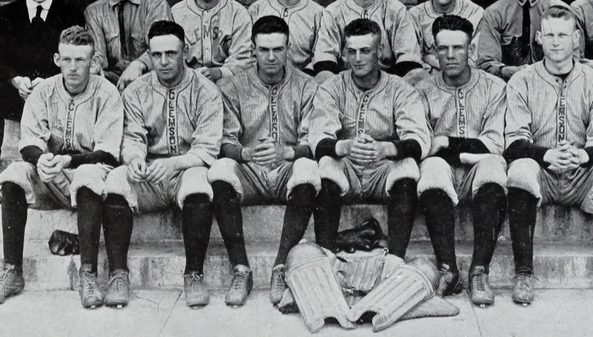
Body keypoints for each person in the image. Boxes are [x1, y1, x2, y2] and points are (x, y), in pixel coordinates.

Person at [0, 26, 123, 309]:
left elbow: (108, 151)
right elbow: (29, 140)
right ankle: (12, 271)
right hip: (52, 175)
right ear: (56, 59)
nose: (72, 67)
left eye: (80, 60)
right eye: (66, 59)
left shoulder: (107, 93)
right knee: (14, 174)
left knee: (88, 175)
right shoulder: (43, 90)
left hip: (92, 178)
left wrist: (70, 161)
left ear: (93, 62)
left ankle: (88, 275)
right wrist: (40, 158)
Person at [504, 5, 593, 306]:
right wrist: (547, 154)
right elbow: (514, 141)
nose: (556, 42)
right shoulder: (521, 81)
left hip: (580, 174)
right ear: (538, 38)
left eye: (563, 35)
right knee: (519, 169)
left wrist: (581, 156)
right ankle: (524, 272)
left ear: (576, 38)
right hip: (543, 173)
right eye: (549, 34)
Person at [102, 21, 223, 309]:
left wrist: (174, 165)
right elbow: (131, 137)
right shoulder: (136, 91)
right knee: (117, 179)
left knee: (198, 181)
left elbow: (207, 148)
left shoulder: (205, 90)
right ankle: (118, 274)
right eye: (156, 55)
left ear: (185, 51)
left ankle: (193, 274)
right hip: (151, 174)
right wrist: (134, 161)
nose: (164, 62)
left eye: (171, 53)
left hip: (185, 167)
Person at [207, 16, 320, 307]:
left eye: (278, 49)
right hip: (251, 169)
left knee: (309, 169)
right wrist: (244, 154)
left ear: (288, 48)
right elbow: (224, 140)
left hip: (287, 169)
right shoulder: (233, 87)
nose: (271, 57)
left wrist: (287, 152)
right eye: (264, 49)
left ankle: (281, 267)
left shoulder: (307, 86)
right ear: (253, 49)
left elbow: (315, 142)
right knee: (219, 170)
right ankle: (241, 269)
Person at [309, 18, 430, 261]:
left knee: (406, 165)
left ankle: (395, 261)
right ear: (343, 53)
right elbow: (318, 139)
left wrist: (388, 148)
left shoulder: (400, 88)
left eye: (365, 51)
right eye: (351, 51)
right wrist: (344, 146)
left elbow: (419, 141)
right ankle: (325, 259)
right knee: (325, 165)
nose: (357, 59)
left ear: (380, 51)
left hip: (382, 169)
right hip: (348, 169)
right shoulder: (332, 87)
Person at [0, 0, 84, 204]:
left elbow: (76, 58)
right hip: (20, 93)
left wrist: (50, 82)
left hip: (56, 93)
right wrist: (16, 81)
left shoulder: (70, 14)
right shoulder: (7, 14)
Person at [415, 15, 508, 307]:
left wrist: (446, 142)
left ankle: (479, 271)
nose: (451, 55)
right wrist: (456, 149)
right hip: (443, 170)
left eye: (458, 47)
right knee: (430, 169)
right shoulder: (423, 91)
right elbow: (424, 146)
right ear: (434, 50)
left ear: (471, 49)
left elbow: (494, 144)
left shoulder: (494, 87)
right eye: (443, 48)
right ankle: (448, 269)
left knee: (493, 167)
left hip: (479, 171)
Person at [313, 0, 423, 82]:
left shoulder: (396, 10)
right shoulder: (334, 12)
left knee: (419, 75)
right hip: (345, 83)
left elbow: (409, 60)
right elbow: (325, 61)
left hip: (388, 83)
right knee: (320, 78)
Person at [144, 0, 252, 86]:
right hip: (184, 83)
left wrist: (218, 72)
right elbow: (166, 53)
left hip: (226, 84)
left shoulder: (238, 13)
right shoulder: (176, 13)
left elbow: (243, 60)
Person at [84, 0, 172, 89]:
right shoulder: (94, 11)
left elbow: (162, 49)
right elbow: (98, 55)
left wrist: (139, 64)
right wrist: (94, 66)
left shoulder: (157, 6)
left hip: (150, 83)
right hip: (110, 85)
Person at [409, 0, 484, 71]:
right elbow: (414, 62)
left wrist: (429, 58)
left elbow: (474, 62)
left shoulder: (474, 13)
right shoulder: (415, 16)